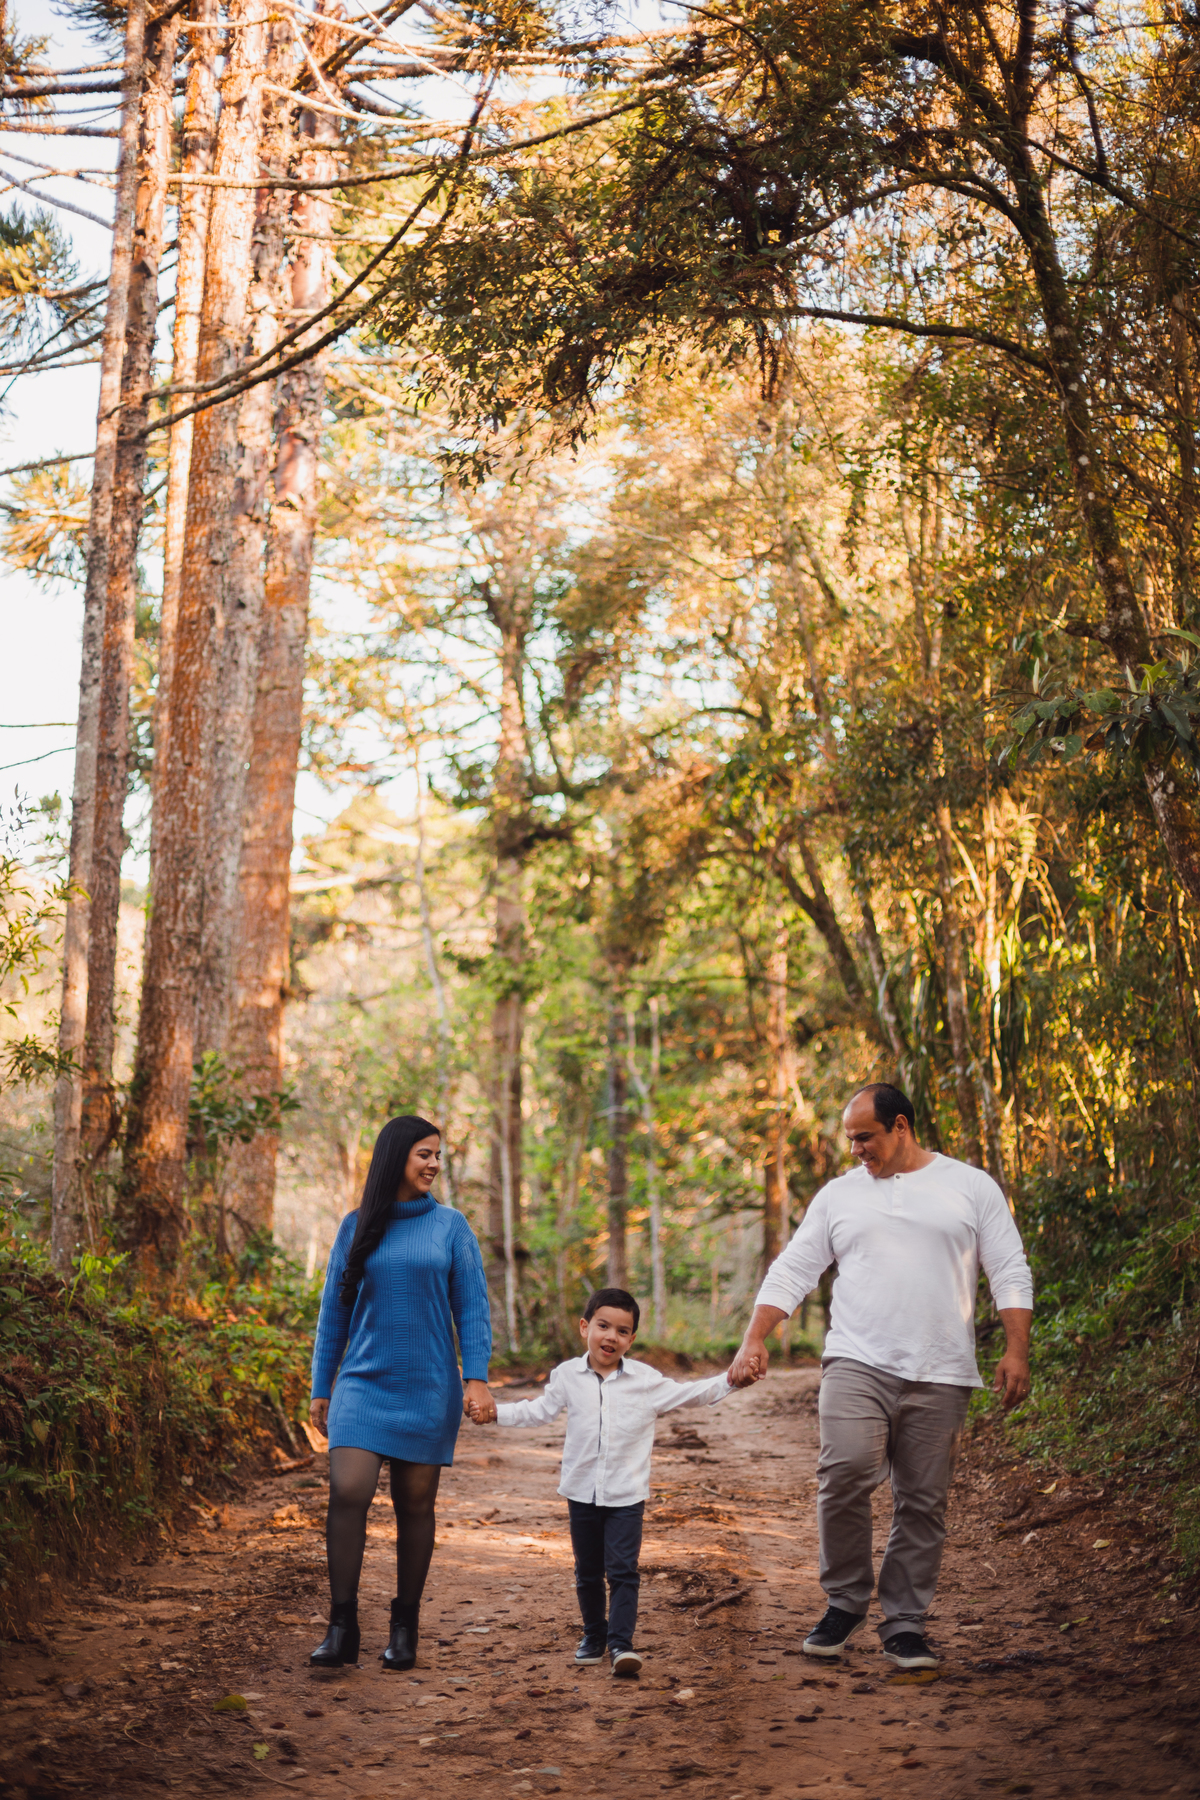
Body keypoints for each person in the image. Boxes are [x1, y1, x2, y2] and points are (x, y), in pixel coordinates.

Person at [728, 1082, 1033, 1672]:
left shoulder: (969, 1186)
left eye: (864, 1137)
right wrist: (755, 1336)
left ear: (901, 1127)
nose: (856, 1150)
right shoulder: (840, 1196)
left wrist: (1017, 1350)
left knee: (922, 1501)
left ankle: (905, 1624)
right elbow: (797, 1265)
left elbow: (1009, 1266)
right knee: (843, 1473)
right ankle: (843, 1602)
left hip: (942, 1368)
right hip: (857, 1360)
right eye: (850, 1140)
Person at [468, 1287, 736, 1676]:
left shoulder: (645, 1380)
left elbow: (692, 1394)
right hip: (581, 1491)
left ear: (632, 1339)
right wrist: (495, 1414)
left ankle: (621, 1644)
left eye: (622, 1331)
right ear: (585, 1327)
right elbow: (538, 1411)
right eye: (603, 1326)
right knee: (588, 1570)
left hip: (627, 1494)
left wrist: (733, 1378)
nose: (611, 1336)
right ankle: (593, 1634)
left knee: (624, 1570)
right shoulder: (567, 1376)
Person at [308, 1115, 496, 1671]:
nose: (435, 1165)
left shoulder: (452, 1227)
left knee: (415, 1503)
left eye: (439, 1155)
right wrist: (323, 1384)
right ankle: (341, 1627)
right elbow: (333, 1312)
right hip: (363, 1383)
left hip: (428, 1385)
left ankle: (404, 1626)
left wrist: (476, 1377)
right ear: (396, 1158)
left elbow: (473, 1308)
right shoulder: (356, 1226)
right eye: (424, 1154)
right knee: (349, 1489)